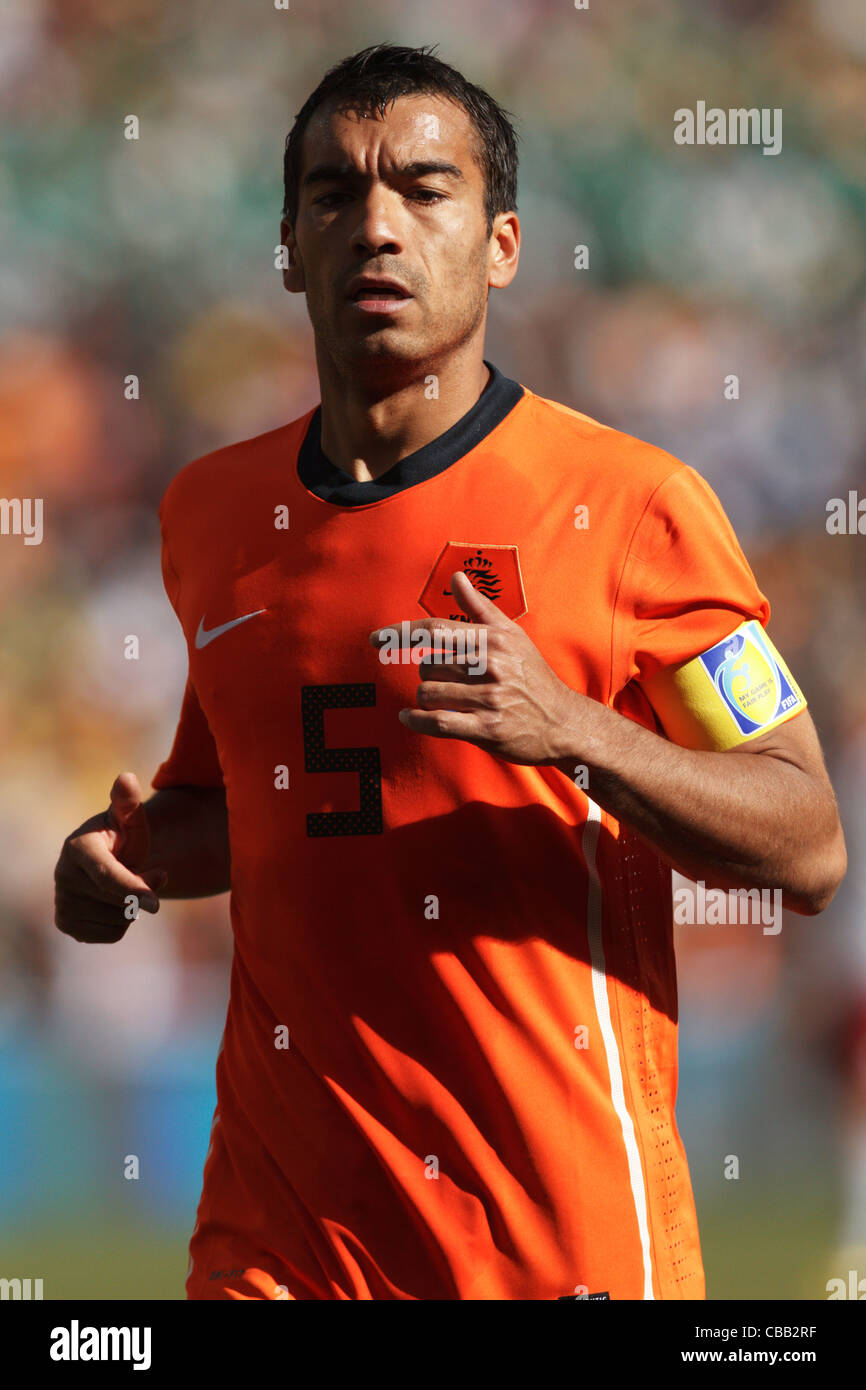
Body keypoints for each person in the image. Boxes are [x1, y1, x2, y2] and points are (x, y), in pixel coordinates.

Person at [54, 43, 846, 1301]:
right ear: (286, 246)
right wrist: (126, 858)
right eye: (333, 195)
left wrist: (575, 728)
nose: (375, 226)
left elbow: (806, 844)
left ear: (502, 244)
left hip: (549, 1239)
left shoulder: (632, 505)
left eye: (422, 190)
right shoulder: (212, 513)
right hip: (282, 1236)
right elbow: (250, 808)